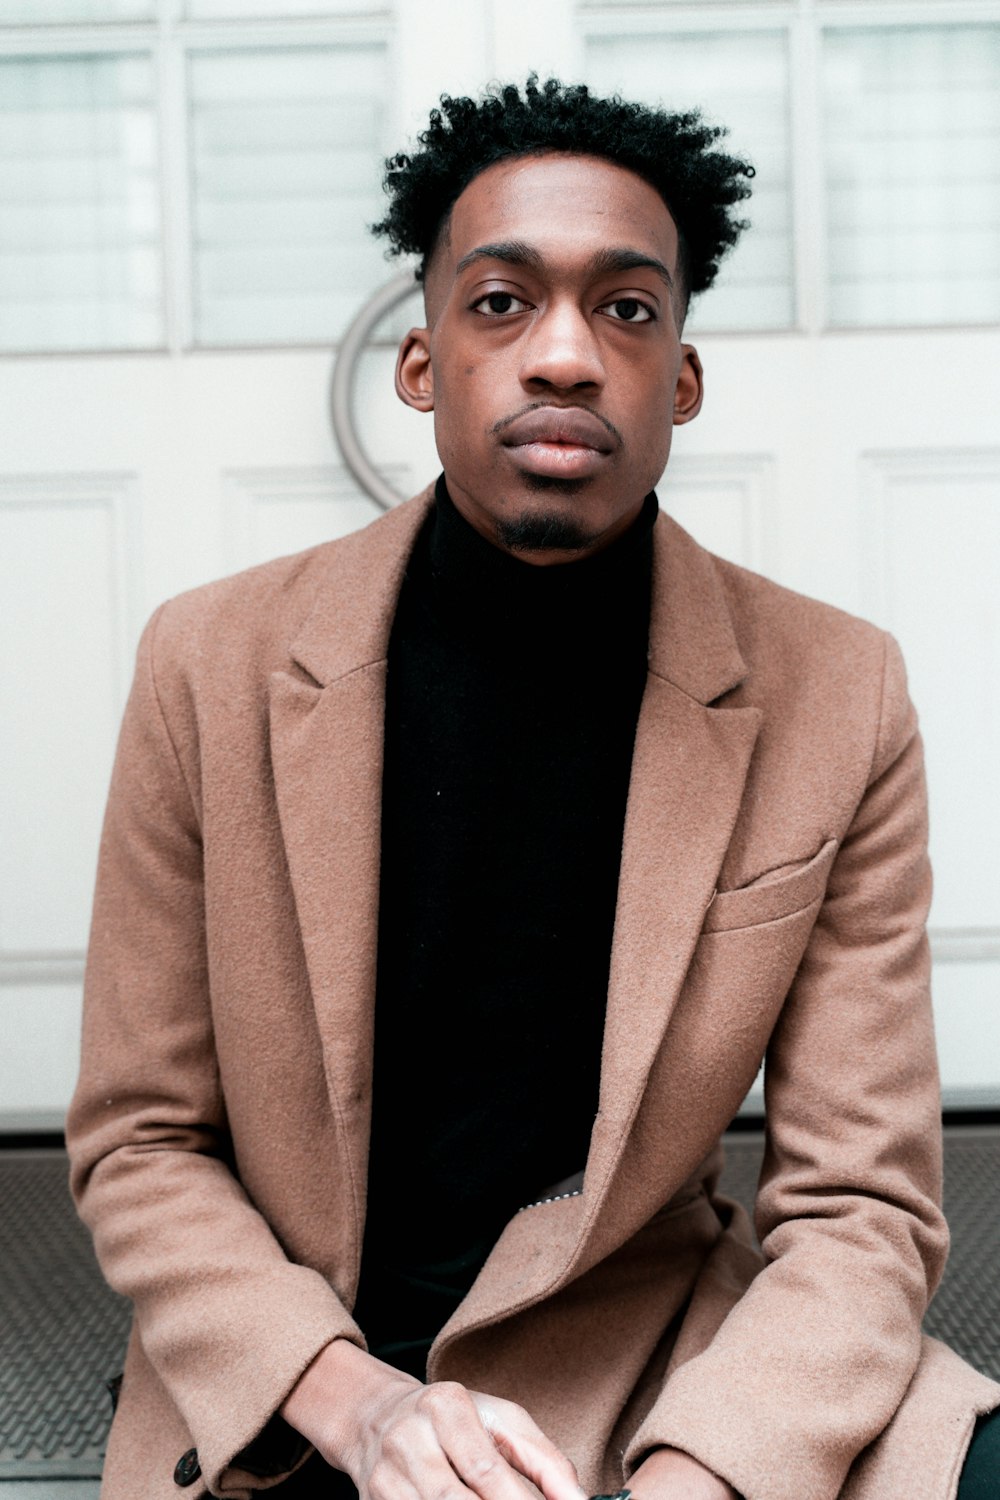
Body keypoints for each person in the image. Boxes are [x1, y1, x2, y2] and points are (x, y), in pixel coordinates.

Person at [67, 77, 999, 1500]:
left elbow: (861, 1203)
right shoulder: (210, 663)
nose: (563, 355)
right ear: (423, 358)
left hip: (658, 1356)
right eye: (501, 301)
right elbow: (140, 1142)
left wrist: (709, 1471)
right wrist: (358, 1407)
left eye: (627, 309)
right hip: (310, 1371)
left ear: (681, 377)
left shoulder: (835, 692)